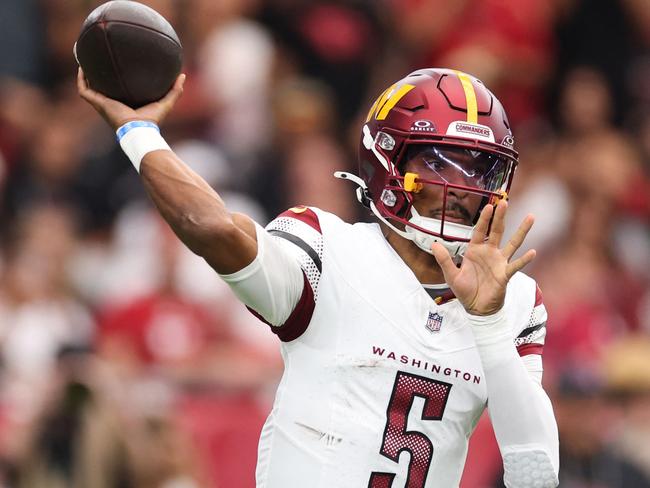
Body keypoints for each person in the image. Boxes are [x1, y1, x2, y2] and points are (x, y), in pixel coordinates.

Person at [77, 67, 559, 488]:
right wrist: (139, 133)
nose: (460, 187)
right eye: (436, 161)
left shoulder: (513, 300)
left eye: (479, 169)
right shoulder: (327, 248)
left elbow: (534, 474)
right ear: (388, 161)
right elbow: (215, 229)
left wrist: (490, 325)